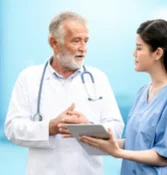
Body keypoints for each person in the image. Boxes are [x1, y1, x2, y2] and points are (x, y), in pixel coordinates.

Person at [4, 11, 124, 175]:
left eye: (86, 41)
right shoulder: (28, 78)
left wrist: (87, 127)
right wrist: (49, 128)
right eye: (76, 41)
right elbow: (12, 128)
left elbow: (116, 128)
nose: (83, 48)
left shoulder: (98, 78)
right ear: (54, 42)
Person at [80, 19, 167, 175]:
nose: (134, 53)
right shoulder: (143, 92)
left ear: (157, 53)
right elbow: (136, 144)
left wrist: (117, 153)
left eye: (139, 48)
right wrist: (100, 141)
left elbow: (163, 155)